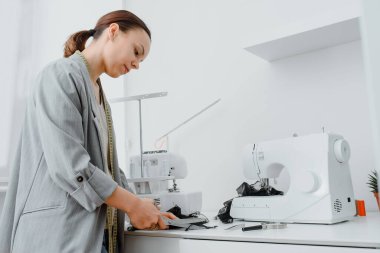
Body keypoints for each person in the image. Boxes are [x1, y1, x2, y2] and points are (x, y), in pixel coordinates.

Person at [0, 10, 175, 253]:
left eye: (140, 61)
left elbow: (109, 169)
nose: (136, 64)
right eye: (136, 52)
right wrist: (133, 205)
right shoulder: (60, 76)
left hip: (92, 238)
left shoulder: (99, 97)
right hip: (56, 237)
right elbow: (71, 167)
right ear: (113, 31)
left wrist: (146, 210)